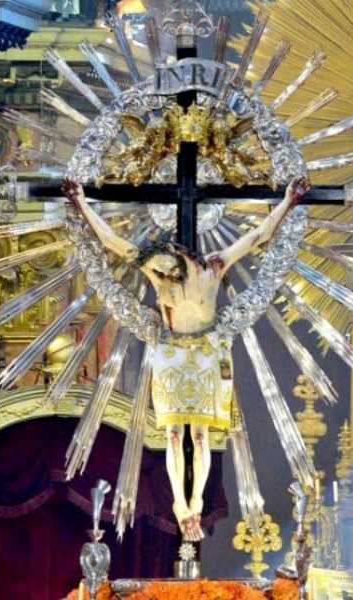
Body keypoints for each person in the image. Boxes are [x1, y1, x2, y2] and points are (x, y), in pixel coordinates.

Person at [61, 176, 310, 540]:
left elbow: (258, 236)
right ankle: (181, 504)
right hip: (172, 354)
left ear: (185, 263)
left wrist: (288, 201)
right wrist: (81, 202)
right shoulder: (157, 269)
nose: (163, 278)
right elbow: (112, 241)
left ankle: (197, 504)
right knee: (176, 435)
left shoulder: (214, 267)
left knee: (201, 436)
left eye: (169, 272)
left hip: (207, 353)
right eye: (161, 271)